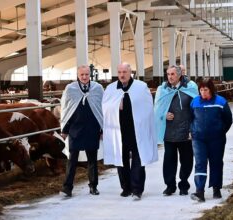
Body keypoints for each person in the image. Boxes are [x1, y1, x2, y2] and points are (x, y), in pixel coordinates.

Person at [102, 63, 158, 200]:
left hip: (137, 130)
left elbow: (147, 107)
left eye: (125, 72)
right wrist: (115, 105)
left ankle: (137, 189)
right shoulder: (110, 88)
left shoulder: (140, 87)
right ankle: (126, 187)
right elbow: (105, 107)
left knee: (139, 160)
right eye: (120, 72)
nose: (122, 75)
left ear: (130, 72)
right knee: (122, 160)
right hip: (119, 131)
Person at [60, 65, 104, 197]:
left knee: (92, 160)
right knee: (72, 159)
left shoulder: (98, 88)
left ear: (89, 74)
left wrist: (102, 129)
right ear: (77, 75)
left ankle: (93, 186)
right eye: (81, 75)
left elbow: (101, 109)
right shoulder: (70, 89)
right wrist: (65, 129)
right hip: (75, 129)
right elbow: (66, 109)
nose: (84, 77)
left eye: (86, 74)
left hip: (92, 128)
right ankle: (67, 188)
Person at [154, 65, 198, 196]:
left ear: (179, 75)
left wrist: (193, 128)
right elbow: (156, 109)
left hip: (186, 131)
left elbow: (196, 110)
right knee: (169, 160)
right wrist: (164, 115)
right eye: (168, 74)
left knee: (187, 160)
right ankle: (170, 186)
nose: (170, 77)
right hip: (169, 132)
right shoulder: (162, 89)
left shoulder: (190, 88)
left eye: (172, 74)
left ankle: (183, 184)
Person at [190, 78, 233, 202]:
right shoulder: (195, 102)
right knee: (200, 163)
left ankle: (216, 189)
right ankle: (199, 191)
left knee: (216, 162)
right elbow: (190, 118)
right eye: (201, 90)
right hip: (198, 139)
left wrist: (221, 131)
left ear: (211, 90)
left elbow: (228, 119)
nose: (203, 92)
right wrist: (193, 131)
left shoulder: (221, 101)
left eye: (206, 89)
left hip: (217, 139)